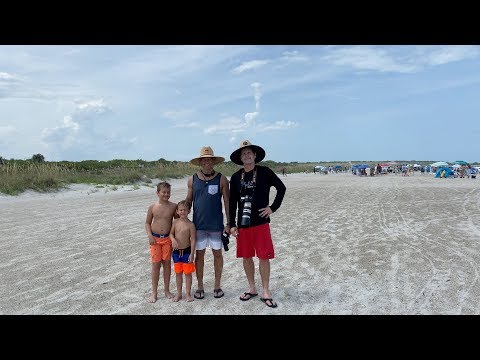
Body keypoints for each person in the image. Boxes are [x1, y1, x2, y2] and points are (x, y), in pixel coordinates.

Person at [228, 140, 286, 308]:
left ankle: (266, 291)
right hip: (243, 225)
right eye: (243, 153)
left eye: (249, 153)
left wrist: (272, 208)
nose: (247, 155)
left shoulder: (265, 172)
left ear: (254, 155)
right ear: (240, 157)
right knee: (246, 257)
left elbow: (281, 188)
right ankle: (252, 288)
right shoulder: (236, 177)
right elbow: (232, 202)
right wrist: (231, 224)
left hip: (261, 223)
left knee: (264, 257)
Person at [186, 146, 230, 300]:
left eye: (209, 159)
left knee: (218, 255)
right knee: (199, 256)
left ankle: (217, 286)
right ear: (200, 162)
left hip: (216, 226)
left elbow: (227, 202)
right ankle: (200, 286)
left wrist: (229, 223)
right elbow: (188, 202)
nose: (207, 162)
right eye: (204, 159)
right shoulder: (192, 179)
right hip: (198, 226)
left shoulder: (222, 179)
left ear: (213, 161)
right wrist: (180, 221)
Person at [144, 181, 178, 303]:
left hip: (167, 239)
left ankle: (167, 290)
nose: (166, 194)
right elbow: (147, 223)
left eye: (168, 192)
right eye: (164, 192)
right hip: (155, 239)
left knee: (167, 264)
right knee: (156, 265)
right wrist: (149, 235)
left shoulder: (173, 206)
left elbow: (177, 222)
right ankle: (154, 292)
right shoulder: (153, 207)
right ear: (157, 193)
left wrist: (174, 237)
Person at [169, 200, 196, 302]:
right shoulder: (175, 222)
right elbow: (171, 234)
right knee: (178, 273)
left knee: (188, 274)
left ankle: (188, 294)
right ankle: (179, 294)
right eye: (180, 210)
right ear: (177, 211)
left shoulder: (191, 225)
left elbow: (193, 239)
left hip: (187, 252)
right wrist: (173, 239)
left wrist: (192, 254)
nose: (182, 212)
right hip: (176, 253)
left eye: (185, 210)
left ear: (189, 211)